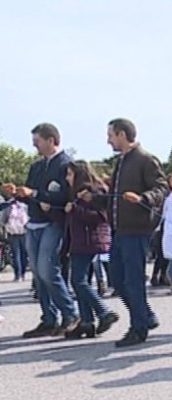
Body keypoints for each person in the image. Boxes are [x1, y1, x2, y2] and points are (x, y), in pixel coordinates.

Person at [80, 118, 168, 347]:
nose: (108, 140)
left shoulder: (145, 159)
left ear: (121, 134)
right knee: (118, 280)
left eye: (110, 135)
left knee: (133, 281)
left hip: (136, 231)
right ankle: (146, 316)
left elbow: (161, 187)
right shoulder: (121, 162)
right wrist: (95, 199)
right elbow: (115, 198)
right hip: (119, 230)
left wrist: (143, 198)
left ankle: (138, 328)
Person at [3, 123, 80, 338]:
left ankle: (70, 314)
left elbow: (65, 196)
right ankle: (48, 318)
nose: (34, 146)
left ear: (51, 140)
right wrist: (17, 193)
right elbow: (29, 195)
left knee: (48, 269)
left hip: (53, 223)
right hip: (33, 222)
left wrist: (36, 193)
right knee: (37, 273)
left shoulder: (66, 164)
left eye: (37, 141)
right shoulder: (36, 167)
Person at [64, 160, 119, 338]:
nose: (67, 178)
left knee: (78, 281)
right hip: (81, 240)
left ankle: (103, 311)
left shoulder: (92, 191)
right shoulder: (78, 193)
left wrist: (75, 209)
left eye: (70, 174)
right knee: (82, 282)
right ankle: (87, 322)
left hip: (88, 240)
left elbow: (100, 217)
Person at [1, 196, 29, 282]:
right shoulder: (25, 206)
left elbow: (2, 220)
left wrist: (6, 227)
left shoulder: (8, 206)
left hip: (12, 233)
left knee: (16, 254)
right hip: (24, 232)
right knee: (23, 254)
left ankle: (18, 275)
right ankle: (22, 274)